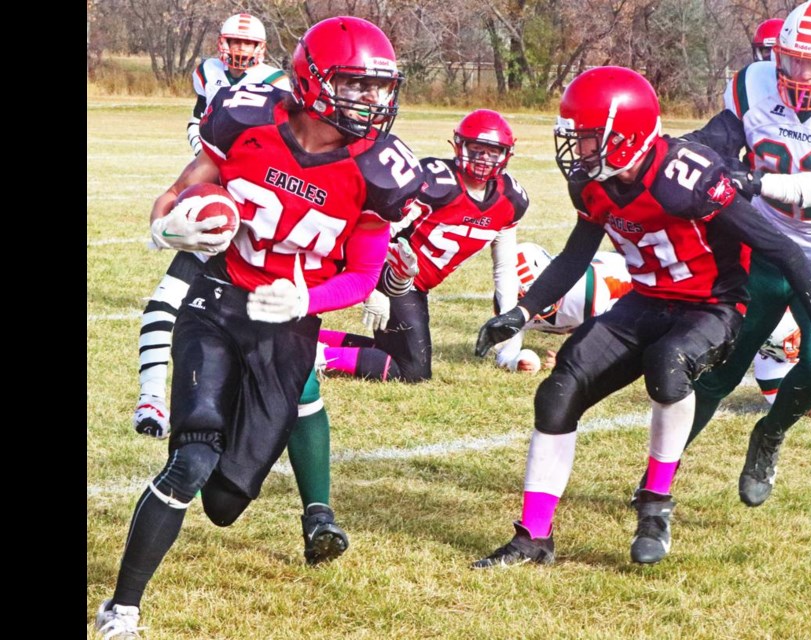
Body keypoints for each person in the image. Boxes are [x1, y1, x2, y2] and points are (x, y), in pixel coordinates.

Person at [94, 17, 424, 638]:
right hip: (217, 301)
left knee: (223, 504)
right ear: (315, 81)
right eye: (356, 85)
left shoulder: (382, 170)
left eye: (379, 88)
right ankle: (122, 608)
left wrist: (306, 297)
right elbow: (177, 195)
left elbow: (361, 276)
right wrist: (165, 228)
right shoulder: (243, 115)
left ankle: (261, 482)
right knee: (189, 462)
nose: (373, 101)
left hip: (287, 330)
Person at [468, 65, 811, 569]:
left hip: (712, 306)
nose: (579, 151)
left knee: (669, 364)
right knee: (559, 388)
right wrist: (521, 311)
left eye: (589, 139)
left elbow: (781, 248)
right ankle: (533, 537)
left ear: (625, 136)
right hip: (646, 299)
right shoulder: (594, 185)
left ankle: (655, 504)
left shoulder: (688, 177)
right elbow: (574, 255)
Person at [676, 0, 811, 508]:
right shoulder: (754, 83)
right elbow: (717, 140)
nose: (803, 74)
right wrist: (671, 156)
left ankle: (770, 433)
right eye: (792, 59)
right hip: (763, 247)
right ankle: (660, 474)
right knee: (720, 366)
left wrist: (754, 180)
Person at [134, 12, 290, 438]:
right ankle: (150, 398)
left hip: (258, 203)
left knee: (271, 329)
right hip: (215, 191)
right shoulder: (207, 72)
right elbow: (197, 119)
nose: (239, 51)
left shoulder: (278, 86)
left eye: (248, 44)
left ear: (262, 49)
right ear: (221, 42)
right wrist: (206, 151)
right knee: (167, 300)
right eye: (232, 42)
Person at [316, 109, 528, 382]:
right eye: (476, 149)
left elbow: (505, 270)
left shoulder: (511, 200)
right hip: (389, 272)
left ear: (506, 154)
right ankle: (315, 358)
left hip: (415, 286)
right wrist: (373, 284)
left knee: (398, 357)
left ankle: (313, 342)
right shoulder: (436, 182)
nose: (483, 159)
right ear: (459, 146)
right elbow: (378, 227)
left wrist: (510, 352)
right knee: (412, 372)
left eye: (492, 151)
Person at [493, 242, 633, 372]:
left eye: (535, 291)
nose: (529, 301)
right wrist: (517, 362)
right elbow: (506, 353)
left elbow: (613, 340)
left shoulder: (588, 292)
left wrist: (572, 359)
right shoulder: (508, 304)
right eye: (520, 297)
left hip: (635, 277)